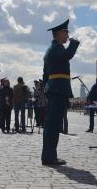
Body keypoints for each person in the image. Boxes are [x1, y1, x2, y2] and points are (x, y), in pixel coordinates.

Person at [41, 19, 79, 166]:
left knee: (53, 124)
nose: (67, 35)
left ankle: (49, 155)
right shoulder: (57, 48)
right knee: (54, 125)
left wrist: (47, 89)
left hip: (55, 89)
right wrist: (74, 44)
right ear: (58, 34)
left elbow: (45, 75)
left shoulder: (53, 49)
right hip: (57, 89)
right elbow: (66, 56)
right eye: (66, 32)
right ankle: (49, 157)